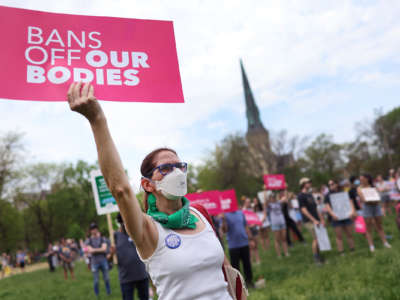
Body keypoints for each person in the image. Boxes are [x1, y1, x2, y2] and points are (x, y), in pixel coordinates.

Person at [67, 82, 233, 300]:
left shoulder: (200, 213)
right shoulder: (147, 229)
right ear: (148, 185)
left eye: (179, 166)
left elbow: (227, 274)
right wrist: (97, 120)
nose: (176, 173)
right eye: (165, 169)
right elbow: (120, 189)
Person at [113, 213, 150, 300]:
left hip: (142, 275)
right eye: (123, 222)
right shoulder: (115, 236)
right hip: (126, 278)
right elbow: (109, 258)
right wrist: (112, 252)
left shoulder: (138, 232)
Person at [357, 174, 391, 252]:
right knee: (368, 227)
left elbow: (378, 195)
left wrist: (376, 197)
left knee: (379, 225)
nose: (361, 181)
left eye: (362, 179)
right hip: (367, 208)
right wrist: (371, 198)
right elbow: (363, 199)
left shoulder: (373, 186)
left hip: (376, 206)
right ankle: (371, 246)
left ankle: (385, 242)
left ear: (367, 179)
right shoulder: (359, 188)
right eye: (360, 179)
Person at [222, 209, 254, 288]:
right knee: (235, 267)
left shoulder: (240, 213)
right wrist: (223, 220)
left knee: (247, 264)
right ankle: (238, 286)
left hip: (244, 243)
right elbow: (225, 230)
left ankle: (249, 282)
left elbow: (245, 226)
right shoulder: (225, 215)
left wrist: (250, 239)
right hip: (233, 246)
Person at [298, 178, 325, 265]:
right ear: (303, 184)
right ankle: (316, 258)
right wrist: (313, 220)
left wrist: (321, 219)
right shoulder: (301, 196)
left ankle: (319, 256)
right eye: (308, 182)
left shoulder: (310, 195)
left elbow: (315, 208)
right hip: (309, 221)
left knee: (319, 238)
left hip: (316, 219)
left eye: (310, 182)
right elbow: (304, 210)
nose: (310, 183)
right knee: (316, 239)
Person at [324, 180, 355, 255]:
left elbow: (350, 202)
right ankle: (341, 252)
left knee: (349, 234)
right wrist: (333, 215)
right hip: (336, 218)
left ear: (336, 184)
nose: (331, 186)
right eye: (329, 185)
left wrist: (352, 211)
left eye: (332, 184)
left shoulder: (344, 192)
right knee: (339, 236)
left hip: (347, 216)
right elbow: (327, 206)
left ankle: (352, 250)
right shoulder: (327, 195)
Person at [86, 223, 111, 296]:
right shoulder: (89, 240)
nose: (94, 230)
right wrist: (99, 249)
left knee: (106, 278)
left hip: (103, 261)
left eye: (95, 228)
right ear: (90, 231)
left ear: (97, 229)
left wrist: (94, 250)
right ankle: (97, 294)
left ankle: (108, 292)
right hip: (94, 262)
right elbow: (90, 250)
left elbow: (104, 249)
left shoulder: (102, 238)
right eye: (92, 229)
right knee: (96, 280)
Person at [266, 193, 289, 257]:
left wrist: (285, 189)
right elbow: (265, 202)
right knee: (277, 239)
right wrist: (265, 191)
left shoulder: (279, 202)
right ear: (269, 198)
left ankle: (286, 252)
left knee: (284, 238)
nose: (273, 198)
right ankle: (279, 254)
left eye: (274, 197)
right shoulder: (269, 205)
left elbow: (286, 198)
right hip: (275, 223)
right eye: (272, 197)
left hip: (282, 222)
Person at [243, 197, 261, 264]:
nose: (249, 203)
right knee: (250, 247)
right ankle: (250, 261)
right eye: (247, 202)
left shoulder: (252, 210)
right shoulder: (243, 211)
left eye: (249, 202)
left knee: (256, 245)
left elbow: (256, 218)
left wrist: (255, 223)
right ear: (245, 203)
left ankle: (258, 260)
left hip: (254, 229)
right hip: (248, 230)